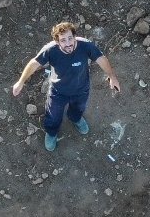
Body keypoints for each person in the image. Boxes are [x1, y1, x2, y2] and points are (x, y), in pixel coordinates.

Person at [11, 22, 121, 151]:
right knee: (53, 116)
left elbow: (101, 58)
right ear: (57, 42)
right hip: (58, 92)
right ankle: (51, 133)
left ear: (75, 36)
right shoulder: (50, 50)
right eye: (63, 40)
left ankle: (75, 119)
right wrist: (21, 81)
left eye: (70, 38)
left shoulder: (85, 45)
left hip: (81, 89)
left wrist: (112, 77)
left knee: (78, 109)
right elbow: (34, 63)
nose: (68, 43)